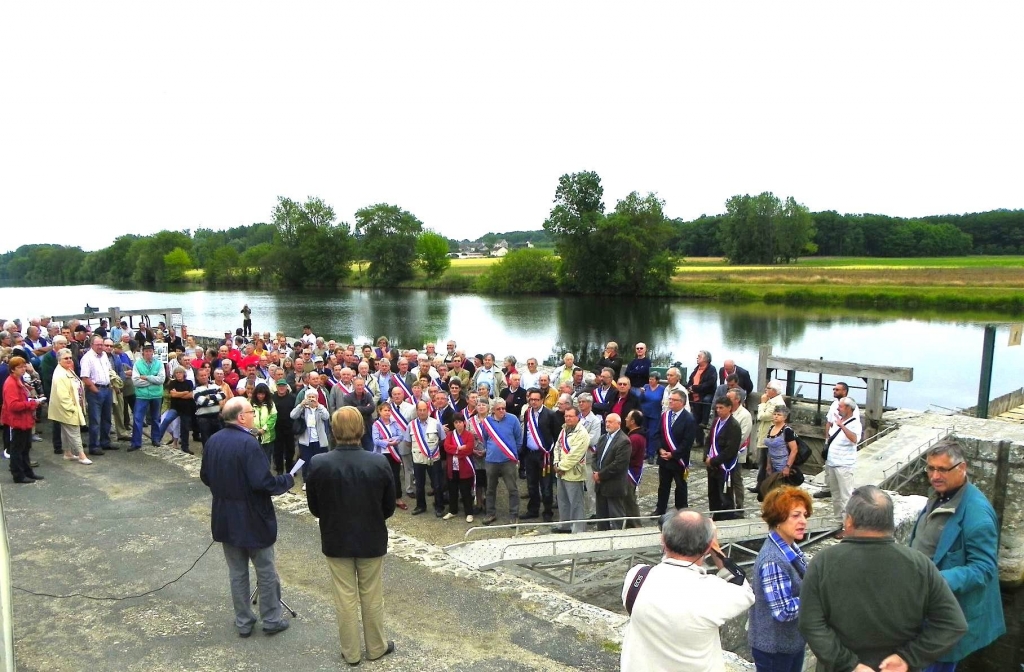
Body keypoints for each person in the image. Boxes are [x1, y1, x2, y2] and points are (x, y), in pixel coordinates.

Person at [799, 486, 968, 672]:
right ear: (890, 523)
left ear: (849, 521)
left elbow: (810, 624)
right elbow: (953, 624)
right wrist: (908, 657)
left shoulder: (823, 562)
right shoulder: (920, 565)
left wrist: (850, 664)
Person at [306, 406, 396, 665]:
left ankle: (351, 652)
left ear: (333, 430)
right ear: (362, 429)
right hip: (370, 536)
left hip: (336, 537)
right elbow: (388, 507)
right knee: (371, 595)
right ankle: (376, 647)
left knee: (344, 597)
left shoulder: (319, 463)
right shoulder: (377, 461)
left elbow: (315, 508)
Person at [199, 397, 295, 638]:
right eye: (251, 412)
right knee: (265, 569)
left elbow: (205, 476)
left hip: (225, 516)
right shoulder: (248, 443)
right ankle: (271, 619)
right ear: (241, 417)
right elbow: (263, 483)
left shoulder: (213, 441)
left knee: (237, 572)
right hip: (253, 517)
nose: (254, 415)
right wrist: (287, 480)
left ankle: (243, 620)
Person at [908, 440, 1006, 671]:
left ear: (962, 468)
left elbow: (984, 569)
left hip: (943, 616)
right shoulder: (940, 495)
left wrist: (937, 580)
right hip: (922, 606)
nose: (934, 475)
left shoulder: (977, 514)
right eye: (930, 468)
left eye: (942, 469)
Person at [621, 510, 754, 672]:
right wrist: (716, 549)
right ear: (706, 548)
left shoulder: (637, 577)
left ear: (663, 540)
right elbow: (745, 592)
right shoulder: (714, 593)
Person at [749, 486, 812, 672]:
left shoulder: (789, 548)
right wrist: (816, 598)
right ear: (778, 519)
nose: (803, 521)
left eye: (805, 515)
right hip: (775, 650)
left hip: (789, 643)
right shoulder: (772, 560)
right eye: (795, 515)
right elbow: (783, 611)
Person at [481, 398, 523, 525]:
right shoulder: (487, 422)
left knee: (512, 489)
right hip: (491, 461)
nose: (502, 411)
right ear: (493, 410)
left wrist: (513, 454)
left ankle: (514, 514)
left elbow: (519, 439)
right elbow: (485, 439)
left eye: (503, 408)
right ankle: (490, 513)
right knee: (490, 489)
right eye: (498, 409)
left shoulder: (513, 420)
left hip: (508, 461)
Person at [2, 357, 44, 483]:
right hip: (17, 420)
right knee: (17, 449)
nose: (23, 369)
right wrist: (32, 404)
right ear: (13, 369)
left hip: (24, 419)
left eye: (24, 366)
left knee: (25, 447)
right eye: (20, 367)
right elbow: (13, 405)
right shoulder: (10, 383)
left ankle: (27, 472)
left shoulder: (18, 380)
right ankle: (18, 475)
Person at [48, 348, 92, 465]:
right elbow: (63, 397)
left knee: (65, 432)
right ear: (59, 360)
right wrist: (72, 408)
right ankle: (82, 455)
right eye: (65, 358)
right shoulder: (60, 375)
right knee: (74, 431)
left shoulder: (67, 369)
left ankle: (67, 453)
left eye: (70, 358)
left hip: (70, 406)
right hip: (67, 408)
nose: (69, 360)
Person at [520, 388, 558, 522]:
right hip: (530, 454)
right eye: (531, 399)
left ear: (542, 400)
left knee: (546, 485)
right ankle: (533, 510)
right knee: (531, 484)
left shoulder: (550, 414)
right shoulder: (527, 413)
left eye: (536, 399)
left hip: (545, 455)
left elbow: (556, 435)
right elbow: (526, 432)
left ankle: (548, 512)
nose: (534, 402)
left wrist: (553, 455)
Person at [824, 396, 861, 531]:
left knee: (846, 497)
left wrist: (841, 426)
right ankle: (838, 522)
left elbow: (854, 439)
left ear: (848, 408)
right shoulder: (839, 420)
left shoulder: (855, 423)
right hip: (832, 462)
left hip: (844, 465)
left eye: (841, 406)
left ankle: (848, 527)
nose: (838, 408)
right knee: (835, 495)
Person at [405, 400, 446, 517]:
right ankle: (420, 506)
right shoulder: (411, 425)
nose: (422, 412)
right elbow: (408, 442)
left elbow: (442, 440)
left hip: (434, 458)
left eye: (424, 410)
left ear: (428, 410)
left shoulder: (436, 423)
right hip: (418, 458)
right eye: (420, 410)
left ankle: (439, 507)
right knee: (419, 484)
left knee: (437, 484)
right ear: (417, 411)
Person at [552, 407, 590, 534]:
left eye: (570, 416)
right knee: (562, 500)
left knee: (576, 502)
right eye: (566, 416)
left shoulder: (582, 433)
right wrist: (556, 463)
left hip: (574, 473)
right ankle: (565, 525)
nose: (567, 418)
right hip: (560, 472)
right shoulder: (564, 430)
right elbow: (557, 446)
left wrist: (560, 467)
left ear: (577, 417)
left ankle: (578, 530)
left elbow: (575, 455)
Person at [290, 375, 331, 489]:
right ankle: (306, 481)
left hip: (319, 439)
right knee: (306, 461)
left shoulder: (320, 407)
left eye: (313, 397)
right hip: (306, 440)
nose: (312, 398)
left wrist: (318, 406)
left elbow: (327, 416)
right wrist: (301, 405)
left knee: (321, 461)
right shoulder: (303, 407)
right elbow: (293, 415)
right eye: (310, 396)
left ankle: (322, 481)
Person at [704, 397, 741, 520]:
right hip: (712, 465)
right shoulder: (716, 421)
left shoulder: (734, 426)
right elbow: (709, 440)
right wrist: (706, 456)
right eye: (717, 407)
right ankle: (714, 515)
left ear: (729, 408)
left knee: (724, 495)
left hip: (724, 466)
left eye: (721, 408)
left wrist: (714, 460)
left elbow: (730, 450)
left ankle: (725, 519)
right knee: (712, 493)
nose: (718, 410)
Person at [593, 413, 631, 531]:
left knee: (616, 516)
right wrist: (595, 471)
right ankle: (602, 540)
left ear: (618, 424)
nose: (607, 424)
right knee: (601, 516)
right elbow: (595, 457)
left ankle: (618, 541)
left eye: (610, 422)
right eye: (606, 421)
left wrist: (600, 475)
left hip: (613, 484)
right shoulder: (603, 438)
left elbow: (618, 465)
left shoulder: (624, 441)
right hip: (600, 484)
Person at [79, 335, 115, 455]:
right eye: (98, 344)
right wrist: (95, 390)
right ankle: (94, 446)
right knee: (95, 420)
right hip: (95, 390)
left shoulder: (104, 355)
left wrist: (111, 385)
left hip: (107, 389)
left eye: (102, 344)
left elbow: (109, 371)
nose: (100, 347)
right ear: (92, 345)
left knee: (107, 418)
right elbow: (84, 377)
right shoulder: (87, 358)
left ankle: (105, 442)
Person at [371, 401, 407, 512]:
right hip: (381, 454)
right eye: (385, 410)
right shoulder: (376, 425)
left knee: (395, 476)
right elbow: (376, 440)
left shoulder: (394, 423)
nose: (387, 413)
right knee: (382, 477)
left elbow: (400, 435)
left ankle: (398, 498)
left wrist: (393, 440)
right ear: (379, 411)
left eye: (389, 410)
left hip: (394, 454)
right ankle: (382, 499)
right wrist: (388, 443)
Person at [131, 343, 166, 453]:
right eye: (146, 351)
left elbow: (161, 380)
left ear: (153, 352)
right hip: (142, 395)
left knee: (155, 418)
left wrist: (146, 377)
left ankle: (155, 439)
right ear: (143, 353)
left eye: (150, 351)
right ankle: (136, 442)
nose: (148, 353)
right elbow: (135, 381)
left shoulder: (159, 363)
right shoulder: (137, 364)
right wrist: (153, 381)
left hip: (156, 395)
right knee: (137, 419)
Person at [153, 366, 196, 455]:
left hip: (186, 409)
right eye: (176, 373)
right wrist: (184, 393)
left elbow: (190, 395)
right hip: (175, 408)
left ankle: (185, 447)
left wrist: (179, 394)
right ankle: (157, 439)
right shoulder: (172, 383)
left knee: (185, 428)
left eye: (180, 373)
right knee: (166, 420)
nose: (178, 374)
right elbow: (173, 395)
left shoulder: (189, 382)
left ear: (184, 374)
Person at [442, 414, 476, 522]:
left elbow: (469, 449)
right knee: (452, 490)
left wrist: (456, 451)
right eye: (456, 422)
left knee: (465, 491)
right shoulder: (450, 434)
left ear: (464, 423)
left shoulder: (469, 435)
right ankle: (453, 511)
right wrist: (458, 449)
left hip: (465, 467)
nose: (458, 424)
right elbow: (447, 447)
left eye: (460, 422)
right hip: (452, 467)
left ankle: (469, 512)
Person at [622, 409, 646, 528]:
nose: (625, 419)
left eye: (628, 417)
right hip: (632, 471)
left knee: (630, 501)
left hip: (630, 473)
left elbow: (628, 456)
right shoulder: (634, 435)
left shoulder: (635, 438)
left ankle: (636, 525)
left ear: (633, 421)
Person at [193, 367, 226, 446]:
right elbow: (204, 402)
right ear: (197, 377)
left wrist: (210, 397)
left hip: (216, 417)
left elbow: (223, 395)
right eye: (201, 376)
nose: (204, 377)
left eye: (205, 375)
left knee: (219, 440)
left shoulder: (215, 386)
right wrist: (215, 399)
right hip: (204, 419)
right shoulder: (195, 390)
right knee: (206, 440)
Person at [270, 379, 297, 475]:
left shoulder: (292, 398)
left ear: (286, 387)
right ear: (277, 387)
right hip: (276, 428)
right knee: (278, 451)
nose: (281, 388)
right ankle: (279, 470)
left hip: (289, 428)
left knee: (290, 450)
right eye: (279, 386)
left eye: (283, 386)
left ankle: (290, 469)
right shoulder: (272, 398)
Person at [686, 350, 717, 429]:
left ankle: (705, 421)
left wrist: (695, 388)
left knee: (706, 400)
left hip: (707, 393)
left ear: (706, 359)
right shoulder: (696, 369)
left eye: (699, 356)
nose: (697, 358)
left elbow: (709, 384)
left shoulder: (712, 369)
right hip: (695, 393)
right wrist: (689, 388)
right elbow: (690, 381)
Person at [639, 372, 664, 463]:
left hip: (655, 414)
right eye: (649, 379)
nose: (650, 381)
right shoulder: (645, 387)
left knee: (653, 434)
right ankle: (644, 452)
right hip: (644, 413)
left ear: (657, 380)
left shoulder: (662, 389)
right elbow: (640, 400)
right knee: (644, 433)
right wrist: (641, 393)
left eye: (652, 379)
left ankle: (651, 454)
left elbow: (663, 400)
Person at [251, 382, 277, 464]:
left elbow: (273, 417)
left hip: (267, 438)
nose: (260, 396)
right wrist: (254, 430)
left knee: (266, 459)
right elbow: (247, 418)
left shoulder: (271, 404)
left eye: (263, 394)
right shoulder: (250, 404)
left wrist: (264, 429)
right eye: (259, 394)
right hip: (253, 436)